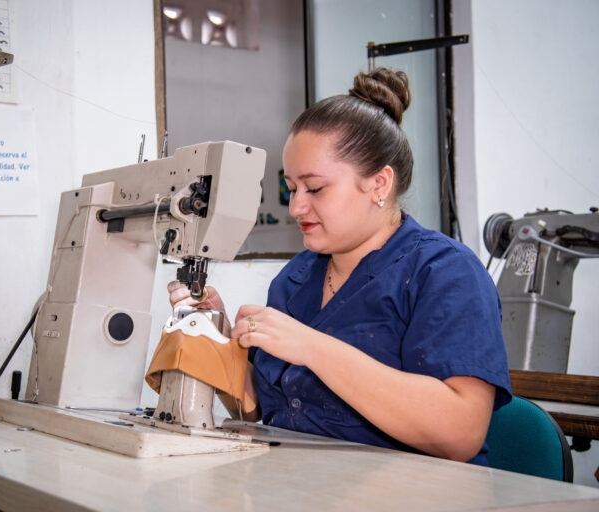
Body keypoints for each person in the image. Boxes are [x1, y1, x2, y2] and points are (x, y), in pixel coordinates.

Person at [167, 68, 511, 465]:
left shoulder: (445, 272)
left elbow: (460, 433)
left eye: (315, 188)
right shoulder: (296, 280)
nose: (296, 207)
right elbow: (260, 412)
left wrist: (312, 347)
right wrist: (218, 339)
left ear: (379, 184)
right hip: (303, 484)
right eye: (291, 188)